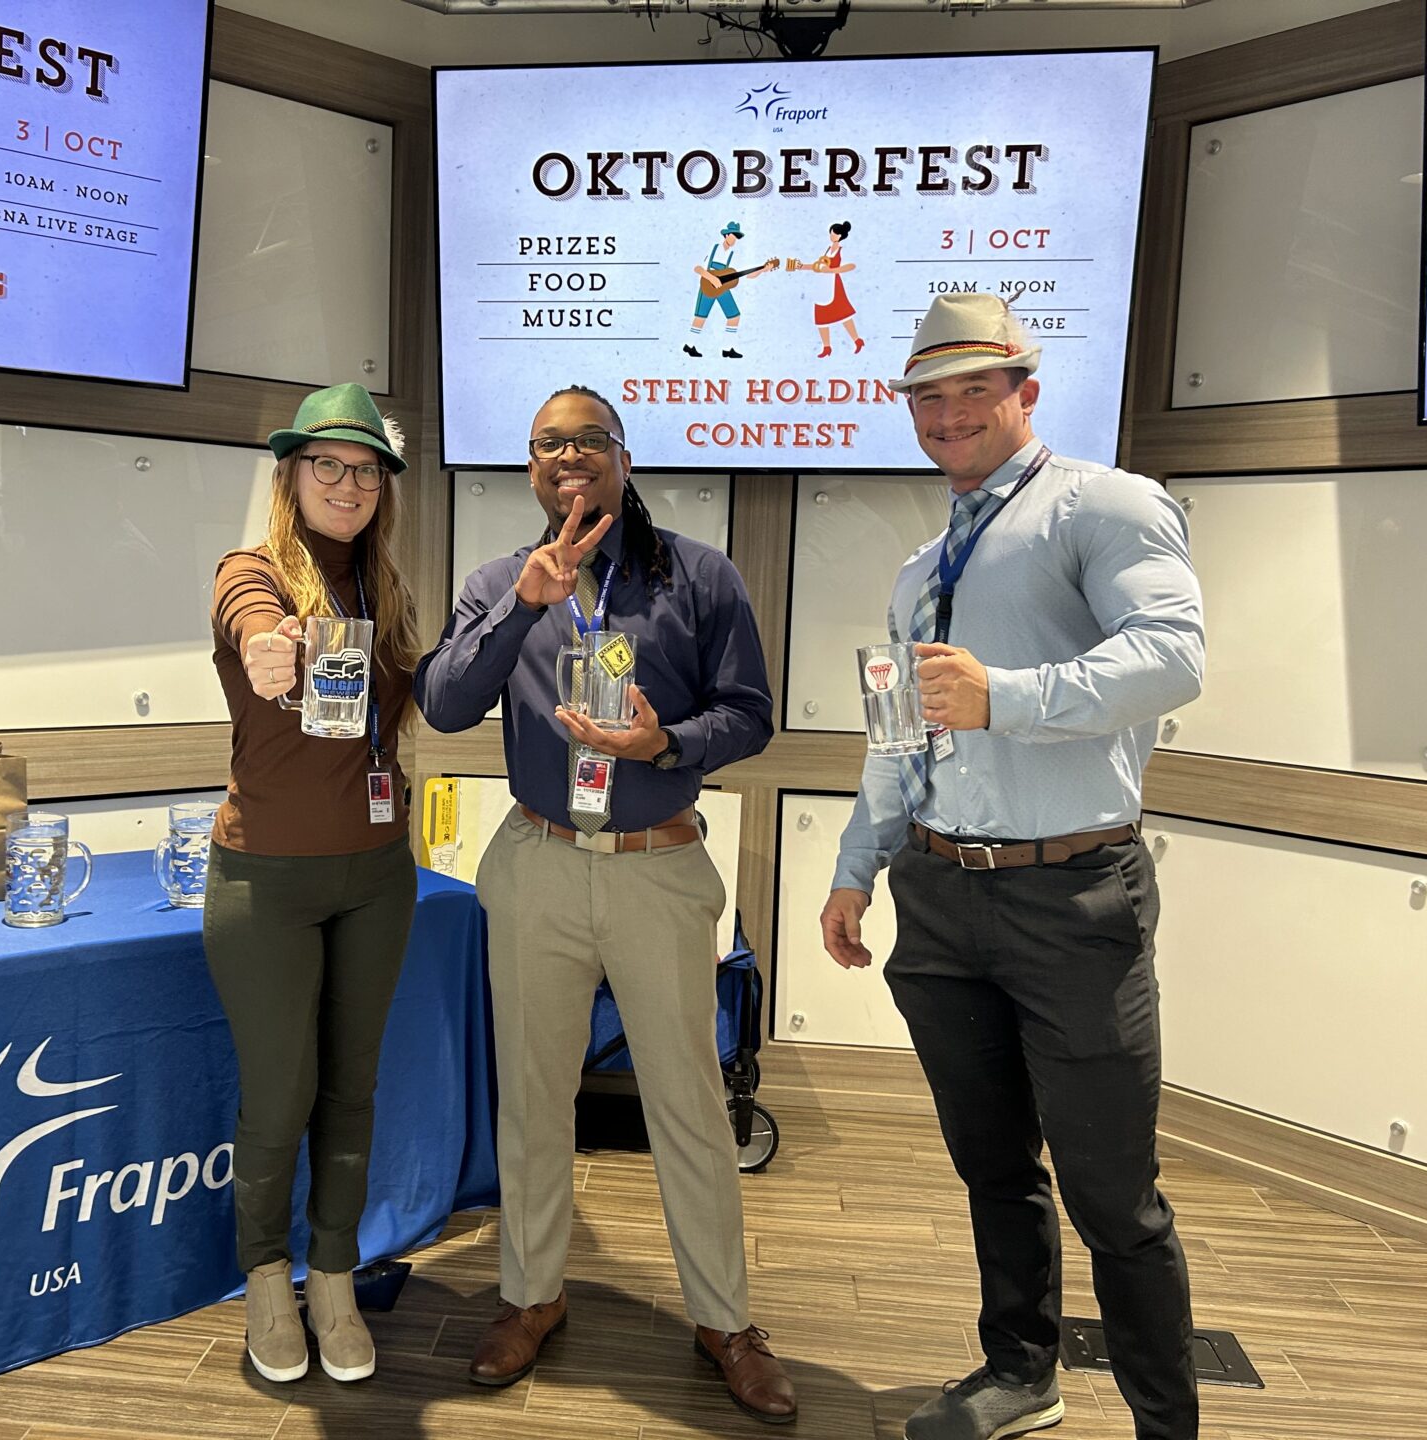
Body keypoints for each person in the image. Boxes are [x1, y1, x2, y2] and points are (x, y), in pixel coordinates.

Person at [818, 294, 1205, 1440]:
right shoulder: (920, 566)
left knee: (1113, 1197)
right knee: (993, 1164)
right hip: (939, 898)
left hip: (1069, 896)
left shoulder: (1107, 505)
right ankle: (1021, 1369)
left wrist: (1009, 697)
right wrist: (856, 869)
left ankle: (1166, 1427)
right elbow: (900, 733)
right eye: (928, 398)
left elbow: (1173, 657)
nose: (948, 416)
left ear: (1024, 391)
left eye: (972, 391)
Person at [415, 385, 797, 1424]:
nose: (566, 458)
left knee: (687, 1105)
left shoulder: (699, 575)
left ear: (624, 459)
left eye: (587, 441)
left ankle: (725, 1320)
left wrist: (664, 743)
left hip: (658, 868)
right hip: (536, 861)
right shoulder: (504, 581)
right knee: (532, 1098)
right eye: (547, 445)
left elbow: (751, 714)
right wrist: (527, 605)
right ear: (530, 469)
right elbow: (444, 703)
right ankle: (533, 1296)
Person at [204, 382, 421, 1387]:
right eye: (326, 465)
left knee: (352, 1088)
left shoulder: (388, 593)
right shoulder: (253, 573)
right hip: (267, 881)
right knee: (280, 1094)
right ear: (290, 476)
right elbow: (249, 620)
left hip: (378, 874)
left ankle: (332, 1276)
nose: (348, 483)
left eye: (365, 468)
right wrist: (264, 646)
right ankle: (264, 1275)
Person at [685, 220, 768, 360]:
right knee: (700, 317)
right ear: (727, 234)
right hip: (708, 285)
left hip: (723, 287)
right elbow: (698, 268)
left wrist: (763, 269)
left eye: (737, 237)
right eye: (734, 236)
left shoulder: (733, 255)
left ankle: (727, 348)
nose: (735, 239)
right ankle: (689, 345)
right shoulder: (714, 248)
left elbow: (747, 275)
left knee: (734, 316)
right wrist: (712, 279)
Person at [811, 220, 863, 359]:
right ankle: (826, 347)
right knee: (821, 317)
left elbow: (851, 266)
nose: (831, 236)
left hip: (834, 285)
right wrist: (800, 266)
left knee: (844, 314)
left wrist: (832, 270)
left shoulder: (842, 250)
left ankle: (857, 340)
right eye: (831, 234)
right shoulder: (827, 250)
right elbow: (818, 266)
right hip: (823, 286)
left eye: (834, 234)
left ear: (840, 236)